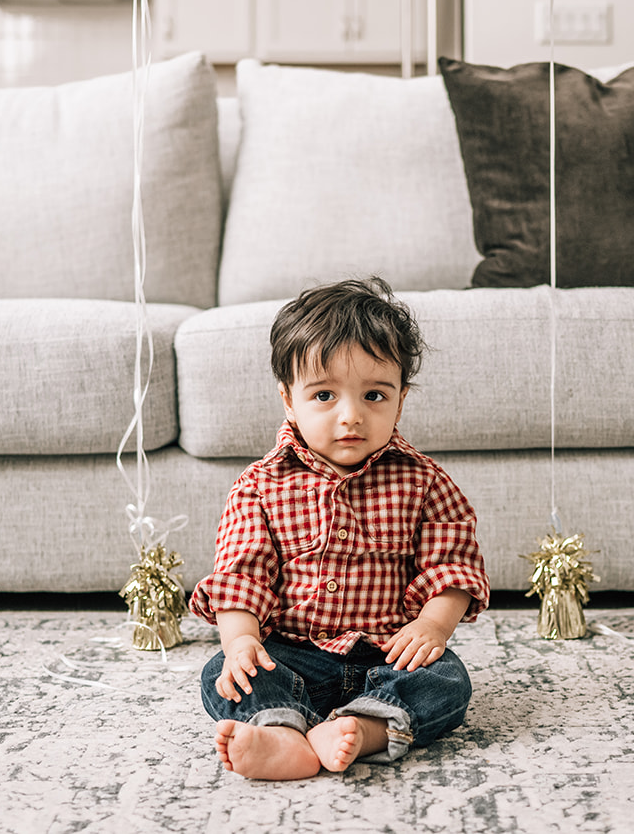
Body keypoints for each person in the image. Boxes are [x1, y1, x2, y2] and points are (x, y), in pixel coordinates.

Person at [189, 277, 490, 780]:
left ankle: (363, 727)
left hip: (389, 655)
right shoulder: (260, 486)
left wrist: (432, 627)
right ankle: (282, 733)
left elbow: (452, 567)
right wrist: (241, 642)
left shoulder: (425, 481)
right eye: (324, 395)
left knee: (448, 680)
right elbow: (241, 577)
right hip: (292, 651)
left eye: (374, 395)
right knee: (223, 675)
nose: (351, 417)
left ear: (401, 399)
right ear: (289, 400)